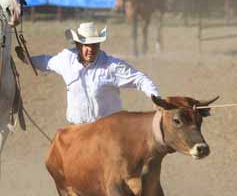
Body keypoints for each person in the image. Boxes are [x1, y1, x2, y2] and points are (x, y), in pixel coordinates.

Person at [15, 22, 159, 125]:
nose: (91, 49)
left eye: (94, 45)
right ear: (78, 45)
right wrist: (27, 59)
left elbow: (140, 79)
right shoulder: (66, 59)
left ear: (99, 45)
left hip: (108, 129)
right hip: (78, 129)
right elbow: (46, 62)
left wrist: (155, 98)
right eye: (87, 45)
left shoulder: (111, 66)